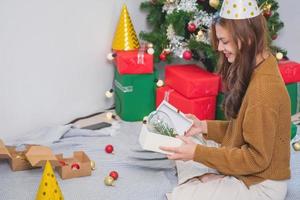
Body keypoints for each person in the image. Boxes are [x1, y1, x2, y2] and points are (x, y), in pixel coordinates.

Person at [160, 0, 291, 199]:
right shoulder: (257, 66)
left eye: (225, 41)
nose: (220, 47)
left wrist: (198, 154)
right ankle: (212, 177)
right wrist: (202, 126)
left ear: (246, 38)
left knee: (182, 194)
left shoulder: (264, 89)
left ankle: (211, 179)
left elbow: (256, 159)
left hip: (260, 184)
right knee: (186, 137)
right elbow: (241, 131)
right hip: (248, 170)